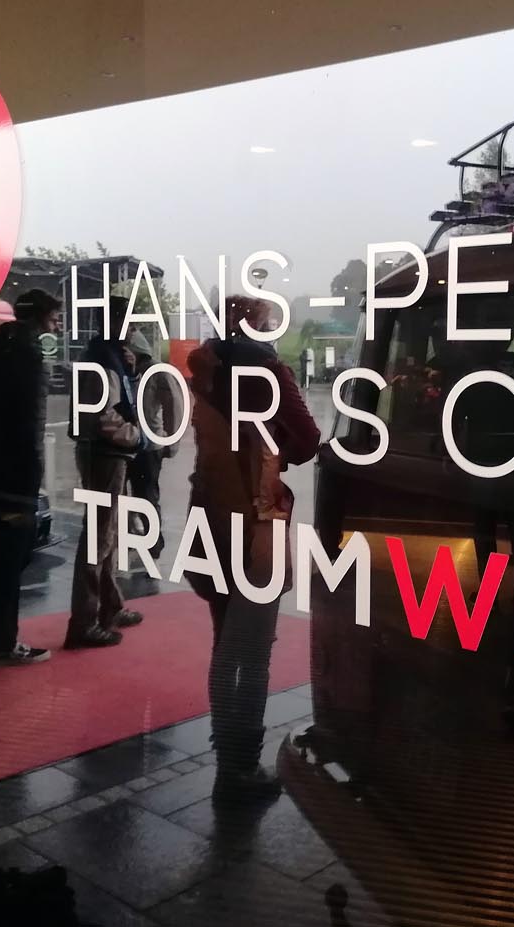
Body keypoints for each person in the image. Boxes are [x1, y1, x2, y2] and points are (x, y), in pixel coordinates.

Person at [186, 296, 320, 802]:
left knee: (224, 643)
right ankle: (242, 765)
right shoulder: (268, 371)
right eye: (268, 322)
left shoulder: (203, 367)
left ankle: (228, 756)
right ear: (258, 326)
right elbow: (307, 440)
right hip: (255, 517)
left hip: (208, 513)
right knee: (254, 651)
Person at [0, 288, 61, 665]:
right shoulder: (30, 356)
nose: (55, 328)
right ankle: (2, 642)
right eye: (53, 320)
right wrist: (33, 478)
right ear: (39, 319)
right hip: (15, 475)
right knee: (12, 556)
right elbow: (30, 423)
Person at [64, 310, 147, 649]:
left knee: (106, 533)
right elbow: (105, 416)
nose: (135, 329)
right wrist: (136, 436)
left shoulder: (106, 356)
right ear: (114, 324)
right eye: (130, 323)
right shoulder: (104, 360)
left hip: (103, 453)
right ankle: (84, 622)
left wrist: (131, 372)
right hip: (105, 454)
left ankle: (109, 607)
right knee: (99, 538)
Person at [122, 330, 181, 572]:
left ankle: (153, 544)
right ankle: (135, 535)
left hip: (148, 445)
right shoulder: (126, 369)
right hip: (127, 442)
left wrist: (171, 441)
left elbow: (173, 405)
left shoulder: (156, 371)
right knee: (129, 495)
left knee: (146, 495)